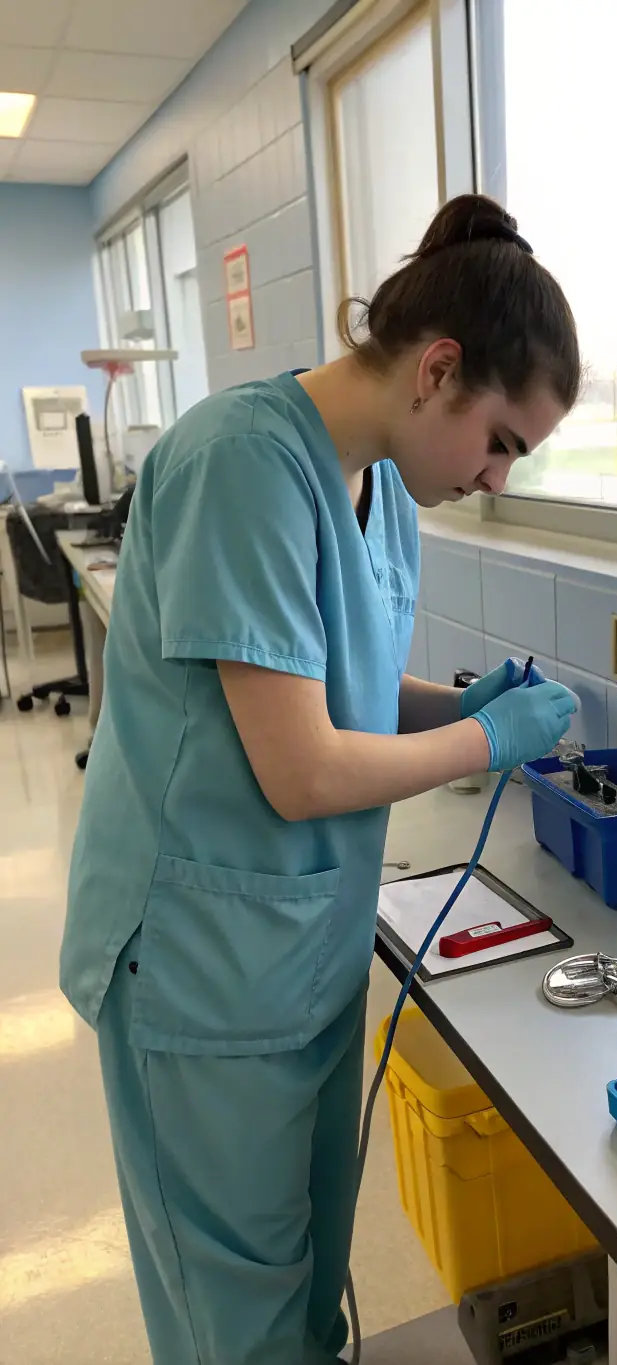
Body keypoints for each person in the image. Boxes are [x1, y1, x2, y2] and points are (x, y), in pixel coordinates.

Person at [60, 193, 581, 1365]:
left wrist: (463, 710)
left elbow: (334, 690)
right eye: (500, 439)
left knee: (299, 1281)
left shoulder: (385, 485)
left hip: (299, 948)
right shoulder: (241, 462)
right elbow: (300, 770)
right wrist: (490, 746)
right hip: (197, 967)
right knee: (230, 1320)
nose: (496, 475)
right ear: (438, 368)